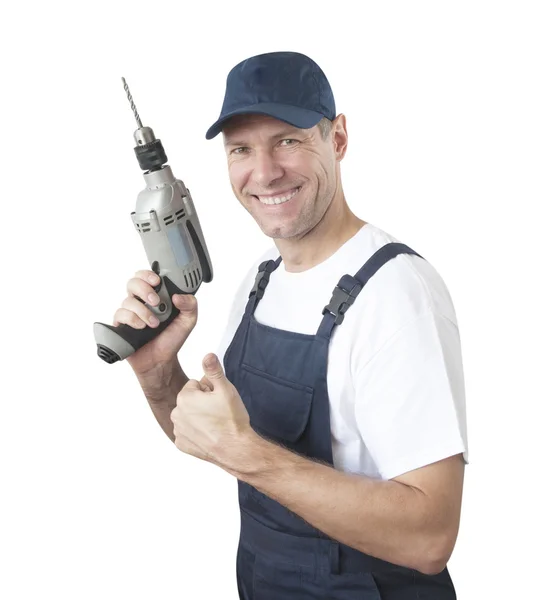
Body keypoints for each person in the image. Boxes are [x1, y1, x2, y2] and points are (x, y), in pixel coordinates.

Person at [113, 51, 468, 599]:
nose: (264, 171)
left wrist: (248, 453)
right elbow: (211, 439)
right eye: (241, 149)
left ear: (339, 139)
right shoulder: (260, 282)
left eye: (288, 140)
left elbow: (430, 537)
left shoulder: (396, 294)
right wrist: (159, 374)